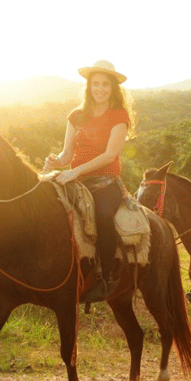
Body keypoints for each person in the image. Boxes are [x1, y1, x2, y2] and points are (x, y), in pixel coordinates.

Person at [43, 60, 134, 302]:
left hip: (106, 181)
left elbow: (109, 155)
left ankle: (106, 275)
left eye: (105, 84)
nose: (100, 89)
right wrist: (55, 161)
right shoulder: (76, 115)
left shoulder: (118, 115)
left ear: (113, 88)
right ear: (89, 86)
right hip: (76, 179)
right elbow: (66, 155)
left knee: (104, 215)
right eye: (96, 84)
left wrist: (75, 172)